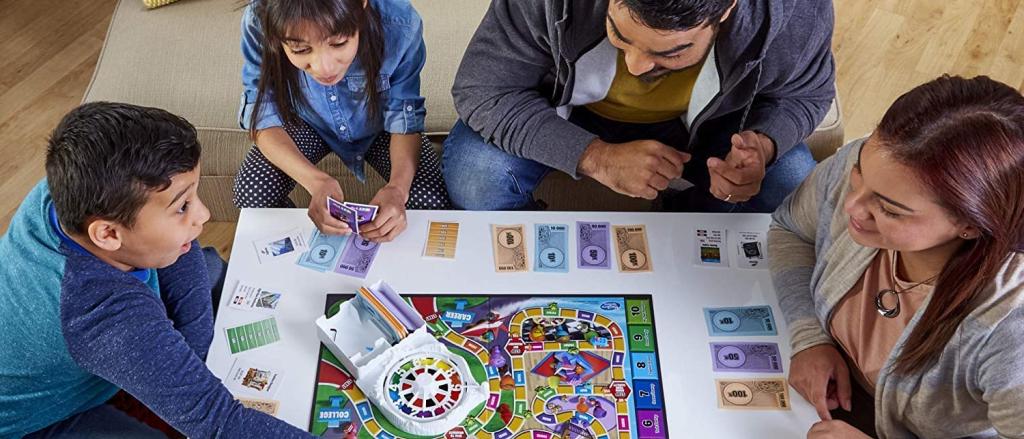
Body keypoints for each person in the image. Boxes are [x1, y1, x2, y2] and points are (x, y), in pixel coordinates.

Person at [0, 102, 312, 438]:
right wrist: (190, 375)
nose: (204, 215)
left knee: (213, 271)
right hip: (33, 418)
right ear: (107, 234)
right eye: (182, 207)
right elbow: (217, 422)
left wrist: (197, 353)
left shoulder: (77, 187)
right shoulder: (101, 313)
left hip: (59, 333)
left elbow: (185, 248)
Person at [769, 76, 1024, 438]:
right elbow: (790, 229)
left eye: (890, 210)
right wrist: (809, 336)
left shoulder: (1012, 325)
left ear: (969, 224)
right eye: (858, 176)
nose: (851, 206)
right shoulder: (879, 169)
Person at [444, 0, 834, 212]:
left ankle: (693, 219)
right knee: (476, 171)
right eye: (619, 33)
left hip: (716, 127)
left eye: (672, 52)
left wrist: (763, 145)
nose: (635, 66)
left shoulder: (799, 10)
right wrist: (594, 156)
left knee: (793, 180)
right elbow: (484, 89)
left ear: (727, 9)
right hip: (565, 112)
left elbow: (805, 95)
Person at [235, 0, 450, 242]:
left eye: (338, 43)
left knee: (431, 198)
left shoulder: (400, 23)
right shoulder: (259, 19)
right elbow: (263, 117)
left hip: (382, 127)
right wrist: (316, 182)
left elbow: (404, 118)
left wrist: (398, 190)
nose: (323, 68)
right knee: (252, 192)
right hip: (306, 121)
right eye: (300, 50)